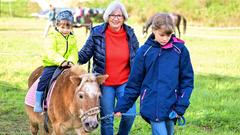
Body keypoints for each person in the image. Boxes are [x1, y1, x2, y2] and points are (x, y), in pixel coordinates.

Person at [115, 13, 194, 135]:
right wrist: (122, 106)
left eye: (169, 34)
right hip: (152, 106)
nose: (165, 38)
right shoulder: (144, 52)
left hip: (172, 106)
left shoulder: (180, 50)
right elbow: (134, 83)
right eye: (161, 34)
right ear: (153, 30)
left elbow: (187, 81)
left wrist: (181, 105)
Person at [78, 1, 139, 135]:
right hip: (105, 83)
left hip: (125, 82)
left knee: (129, 115)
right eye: (113, 15)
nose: (116, 18)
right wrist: (70, 58)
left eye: (119, 15)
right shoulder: (97, 33)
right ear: (107, 16)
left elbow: (138, 57)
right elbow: (84, 55)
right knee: (107, 119)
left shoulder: (130, 34)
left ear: (124, 18)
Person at [34, 10, 78, 112]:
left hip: (68, 64)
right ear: (57, 25)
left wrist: (71, 61)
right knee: (44, 79)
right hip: (53, 64)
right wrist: (62, 61)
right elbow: (50, 51)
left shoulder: (72, 38)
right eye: (62, 27)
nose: (65, 30)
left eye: (68, 27)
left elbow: (74, 51)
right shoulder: (52, 36)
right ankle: (38, 102)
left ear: (71, 27)